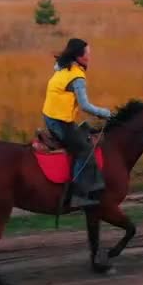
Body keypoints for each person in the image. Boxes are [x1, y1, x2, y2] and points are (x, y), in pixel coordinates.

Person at [42, 37, 112, 208]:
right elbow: (85, 106)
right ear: (79, 57)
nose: (90, 57)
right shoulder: (77, 78)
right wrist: (106, 113)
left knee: (84, 134)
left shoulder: (62, 67)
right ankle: (78, 195)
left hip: (51, 116)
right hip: (59, 122)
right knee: (85, 150)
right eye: (87, 54)